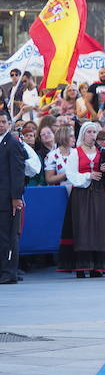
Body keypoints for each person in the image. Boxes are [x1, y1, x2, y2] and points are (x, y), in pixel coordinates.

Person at [56, 122, 105, 278]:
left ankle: (98, 267)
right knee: (82, 228)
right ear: (83, 134)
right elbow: (71, 174)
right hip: (81, 195)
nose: (92, 135)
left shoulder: (104, 152)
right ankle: (82, 266)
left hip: (101, 194)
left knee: (101, 227)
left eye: (94, 132)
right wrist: (88, 175)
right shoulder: (76, 152)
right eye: (89, 132)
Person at [0, 112, 27, 285]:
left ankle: (9, 272)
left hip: (8, 199)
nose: (0, 125)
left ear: (9, 124)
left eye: (3, 122)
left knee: (8, 237)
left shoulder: (12, 144)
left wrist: (16, 198)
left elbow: (18, 173)